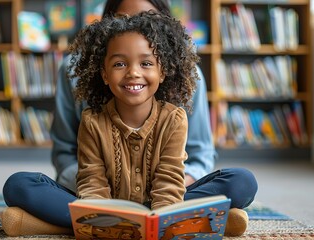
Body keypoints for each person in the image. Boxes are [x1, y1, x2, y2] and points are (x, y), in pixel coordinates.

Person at [51, 0, 216, 194]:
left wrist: (168, 189)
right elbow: (65, 154)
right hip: (94, 187)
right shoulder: (75, 71)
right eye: (124, 20)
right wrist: (102, 190)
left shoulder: (187, 76)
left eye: (148, 20)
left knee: (237, 182)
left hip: (169, 188)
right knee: (24, 185)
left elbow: (200, 156)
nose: (135, 28)